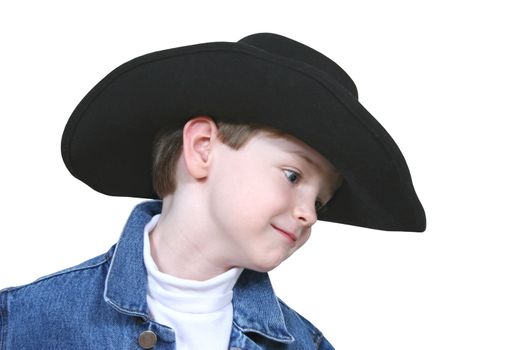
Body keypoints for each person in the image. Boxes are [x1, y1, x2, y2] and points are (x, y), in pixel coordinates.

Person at [0, 33, 426, 349]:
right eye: (294, 176)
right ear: (202, 148)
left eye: (320, 201)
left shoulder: (305, 344)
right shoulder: (23, 323)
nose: (310, 215)